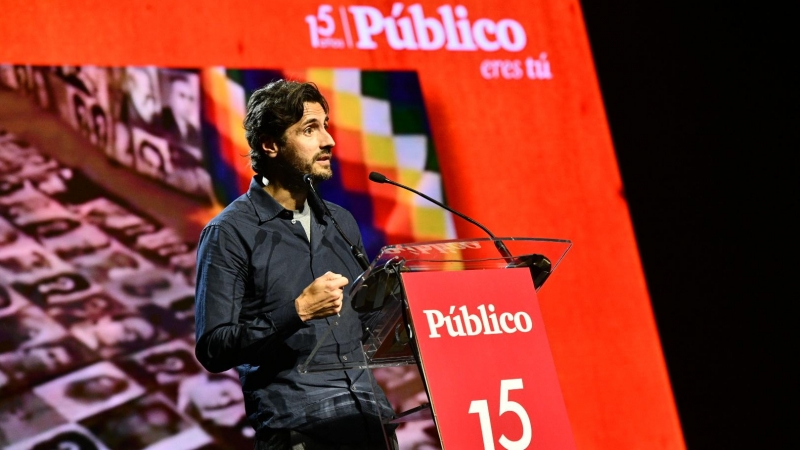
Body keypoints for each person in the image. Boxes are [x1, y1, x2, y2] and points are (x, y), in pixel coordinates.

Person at [194, 80, 397, 449]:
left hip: (372, 421)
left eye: (325, 125)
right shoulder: (229, 232)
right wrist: (298, 311)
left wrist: (400, 302)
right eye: (310, 129)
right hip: (301, 428)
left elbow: (366, 323)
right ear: (270, 145)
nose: (329, 140)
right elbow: (214, 347)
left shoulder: (340, 221)